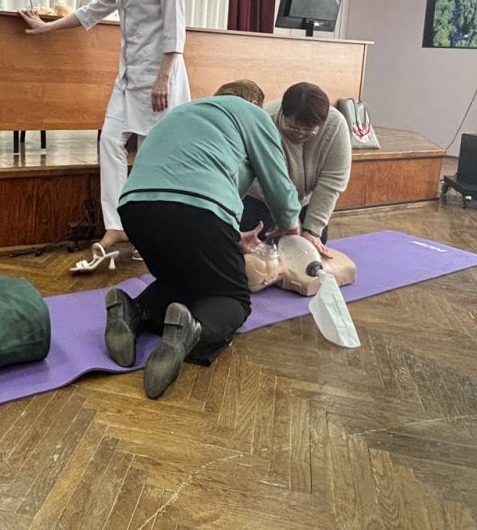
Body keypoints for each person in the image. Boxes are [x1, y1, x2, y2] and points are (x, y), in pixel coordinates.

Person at [18, 0, 189, 274]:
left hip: (158, 78)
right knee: (110, 140)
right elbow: (93, 10)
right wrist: (47, 27)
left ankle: (152, 231)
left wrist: (164, 77)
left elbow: (176, 28)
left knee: (151, 156)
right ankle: (117, 225)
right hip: (128, 78)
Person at [103, 85, 303, 399]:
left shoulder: (182, 112)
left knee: (186, 280)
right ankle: (191, 330)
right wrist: (292, 229)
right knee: (233, 299)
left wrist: (231, 237)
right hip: (199, 209)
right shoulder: (253, 114)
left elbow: (185, 174)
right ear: (253, 103)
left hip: (135, 208)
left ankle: (132, 310)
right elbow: (277, 182)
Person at [241, 82, 351, 259]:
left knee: (311, 248)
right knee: (257, 250)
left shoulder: (335, 125)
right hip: (262, 196)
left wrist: (312, 230)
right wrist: (289, 220)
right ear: (282, 114)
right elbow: (264, 179)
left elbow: (332, 182)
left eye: (308, 130)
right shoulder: (264, 119)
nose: (299, 134)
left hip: (306, 198)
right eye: (292, 127)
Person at [244, 234, 357, 296]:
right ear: (268, 279)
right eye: (265, 260)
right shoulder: (304, 278)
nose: (265, 252)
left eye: (258, 253)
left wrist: (311, 230)